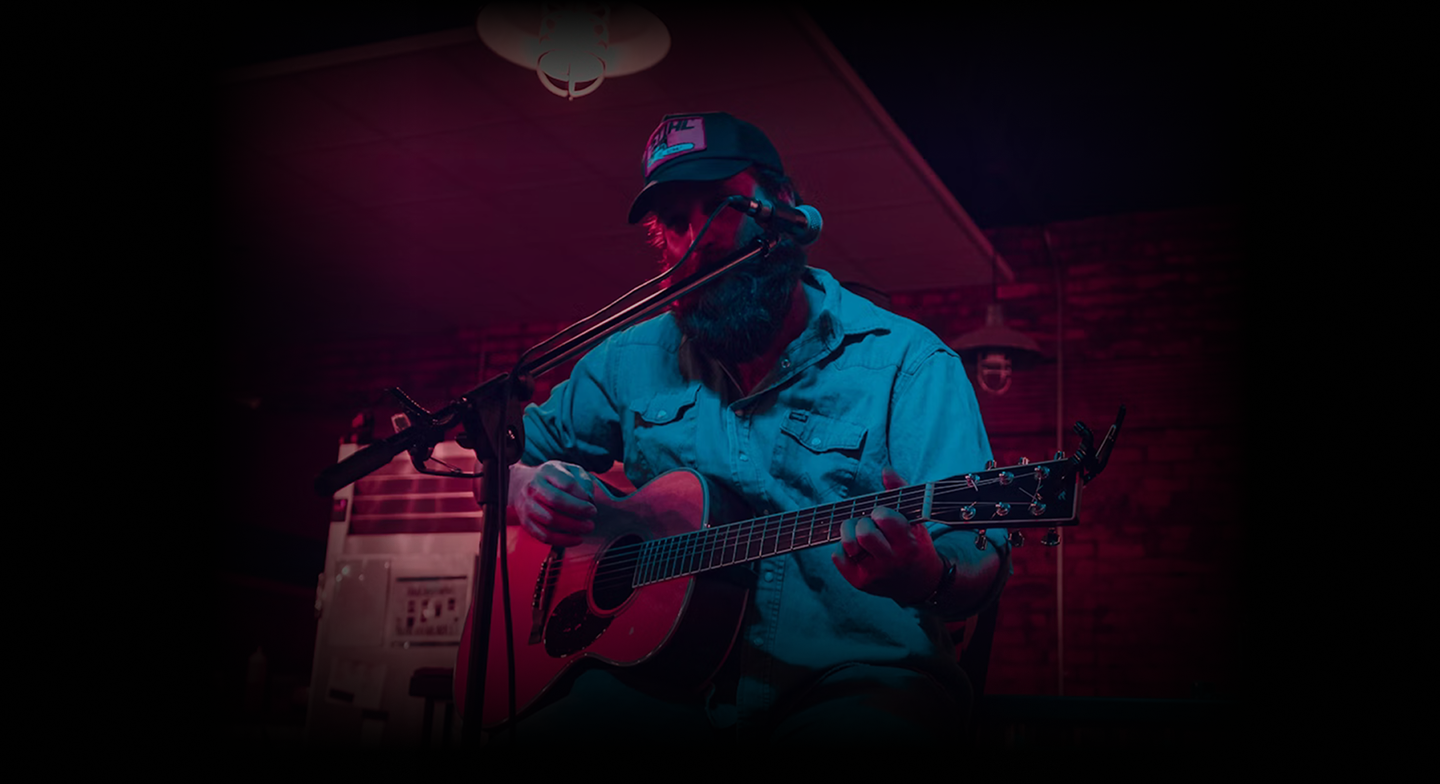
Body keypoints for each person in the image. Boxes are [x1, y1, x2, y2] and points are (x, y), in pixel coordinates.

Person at [494, 111, 1010, 749]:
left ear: (782, 205)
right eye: (675, 223)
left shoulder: (909, 364)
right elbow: (499, 461)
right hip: (657, 684)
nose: (698, 239)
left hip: (853, 681)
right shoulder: (629, 360)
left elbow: (979, 552)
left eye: (720, 206)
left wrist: (927, 574)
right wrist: (525, 487)